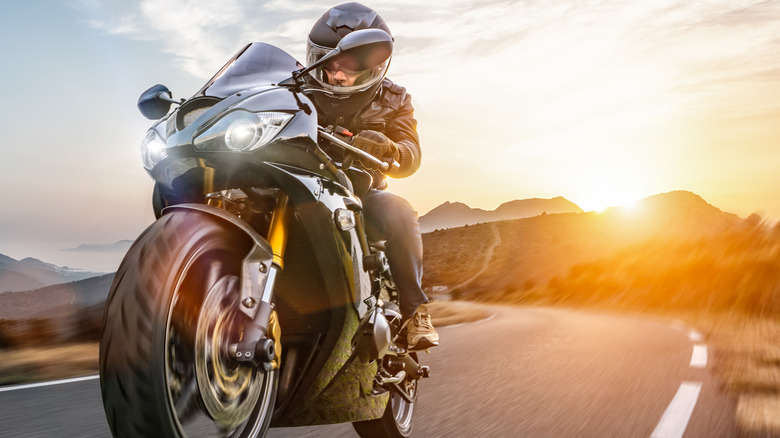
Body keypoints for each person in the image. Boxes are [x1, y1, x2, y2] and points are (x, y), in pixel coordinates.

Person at [305, 2, 438, 350]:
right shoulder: (298, 86)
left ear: (373, 68)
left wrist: (390, 149)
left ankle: (415, 311)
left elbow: (411, 156)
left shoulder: (395, 99)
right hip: (301, 182)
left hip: (359, 194)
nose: (336, 75)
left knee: (399, 210)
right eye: (328, 62)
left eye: (348, 67)